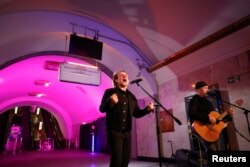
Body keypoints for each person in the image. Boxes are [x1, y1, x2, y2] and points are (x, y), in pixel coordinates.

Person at [99, 70, 154, 167]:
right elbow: (102, 108)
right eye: (122, 75)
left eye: (126, 76)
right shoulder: (109, 92)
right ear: (116, 80)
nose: (125, 76)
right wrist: (110, 101)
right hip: (114, 132)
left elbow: (136, 113)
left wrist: (147, 109)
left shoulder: (131, 96)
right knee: (117, 161)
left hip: (127, 133)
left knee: (125, 161)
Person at [188, 81, 234, 152]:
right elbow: (191, 113)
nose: (207, 90)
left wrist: (229, 115)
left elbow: (217, 117)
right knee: (212, 150)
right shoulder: (194, 100)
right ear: (199, 89)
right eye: (205, 88)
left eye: (207, 88)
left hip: (213, 129)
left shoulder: (208, 102)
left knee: (217, 150)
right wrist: (207, 118)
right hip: (202, 128)